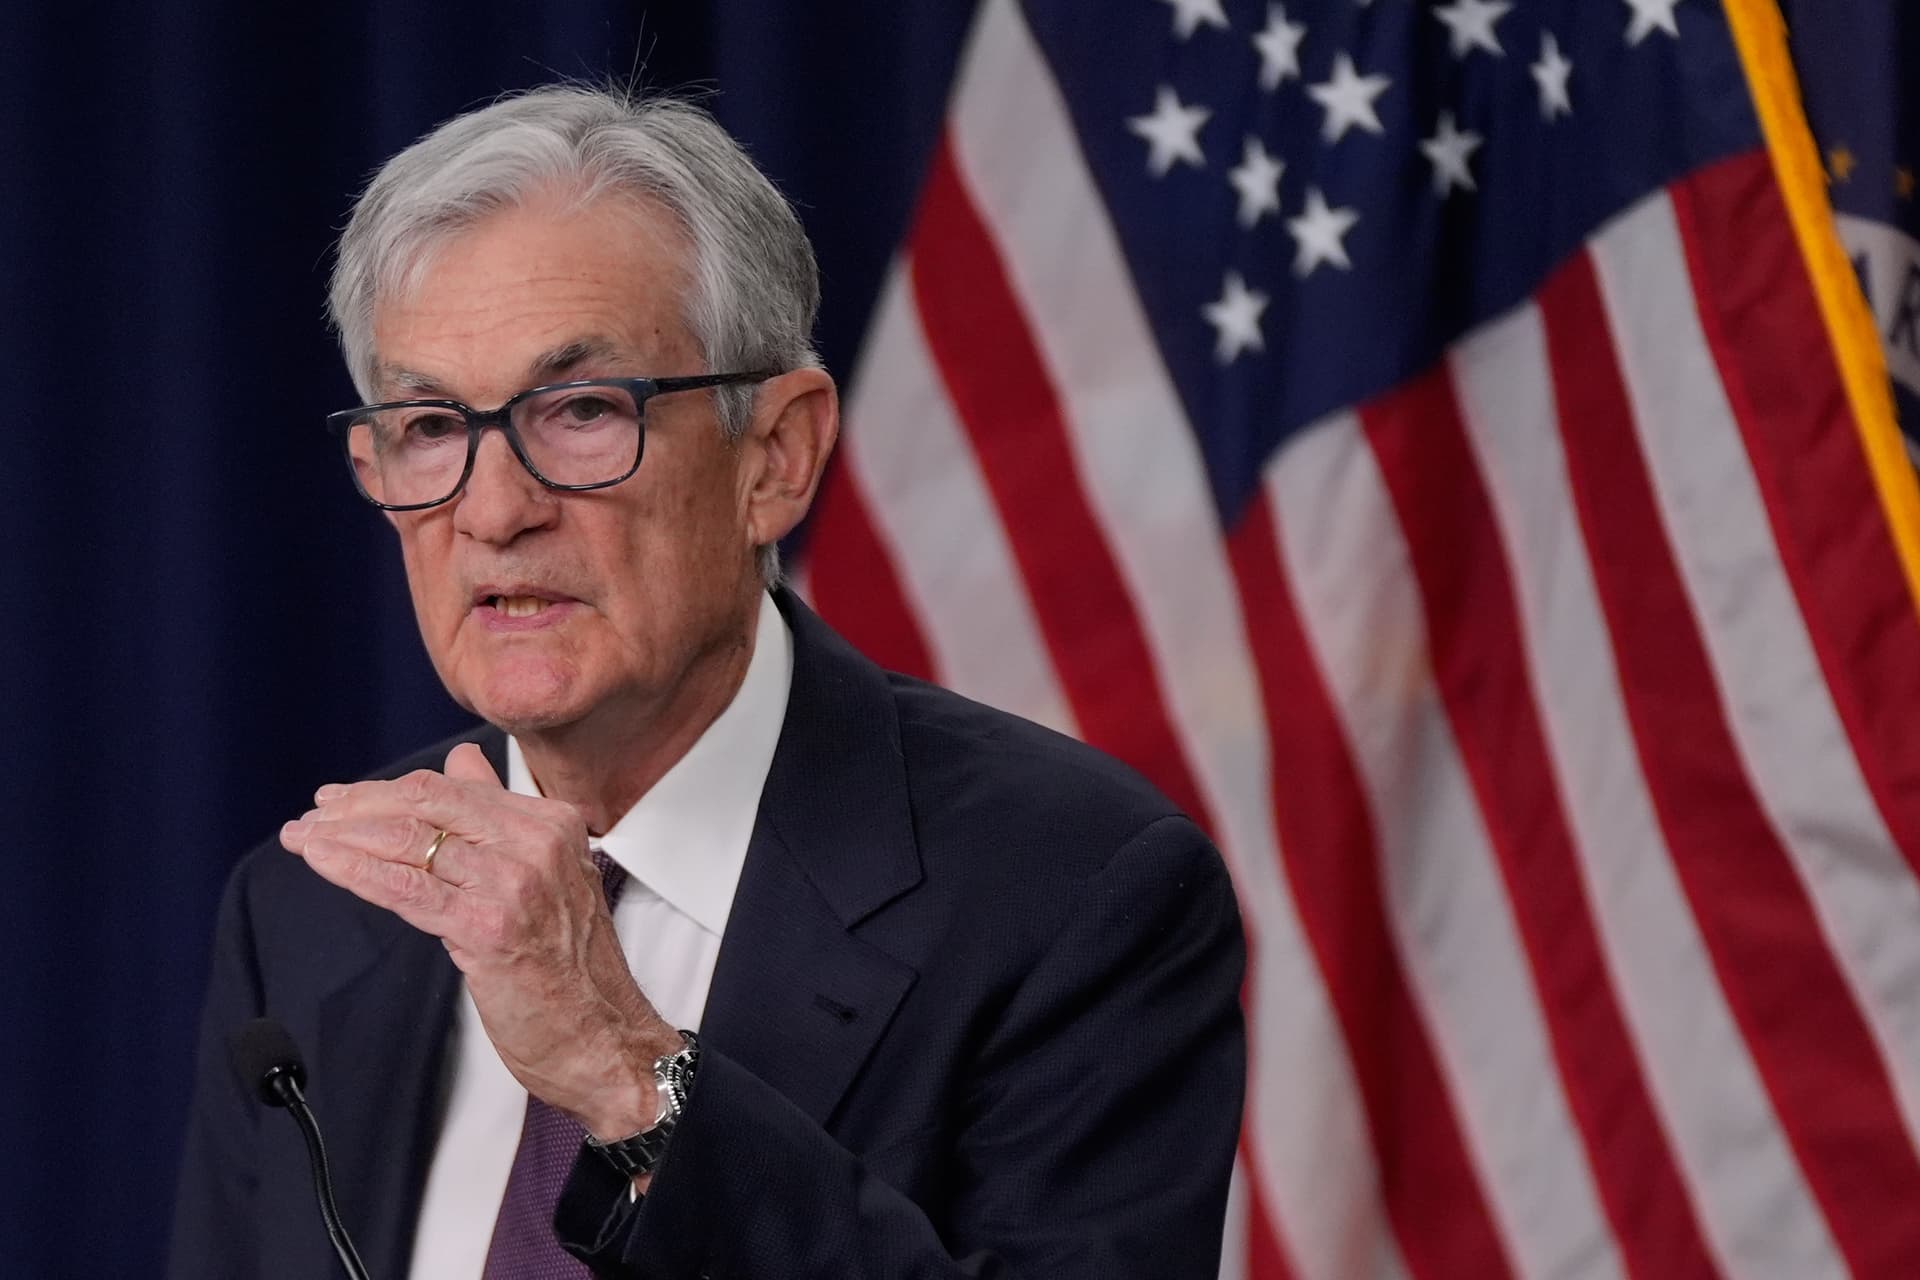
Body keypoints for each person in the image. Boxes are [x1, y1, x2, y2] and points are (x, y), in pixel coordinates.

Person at [169, 84, 1245, 1279]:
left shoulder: (1076, 894)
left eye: (580, 410)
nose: (491, 509)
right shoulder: (311, 906)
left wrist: (626, 1073)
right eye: (430, 426)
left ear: (775, 458)